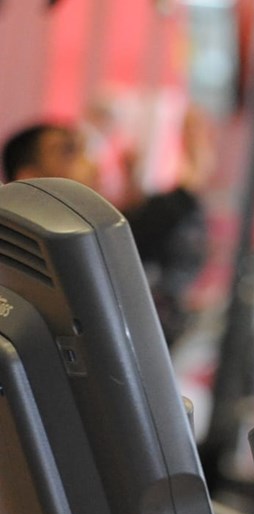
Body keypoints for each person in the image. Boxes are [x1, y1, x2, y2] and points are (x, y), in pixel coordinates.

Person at [1, 118, 209, 344]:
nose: (91, 163)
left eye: (86, 150)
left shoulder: (96, 237)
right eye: (70, 151)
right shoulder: (52, 254)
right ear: (30, 177)